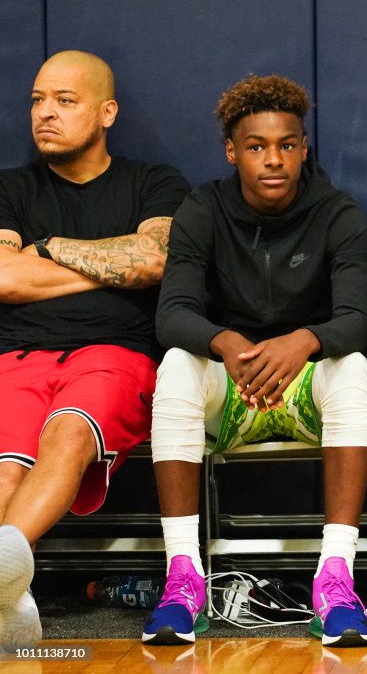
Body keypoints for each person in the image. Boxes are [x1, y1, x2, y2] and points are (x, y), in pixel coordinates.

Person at [140, 75, 367, 648]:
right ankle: (183, 579)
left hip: (304, 392)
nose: (274, 160)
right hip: (234, 387)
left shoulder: (337, 212)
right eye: (256, 147)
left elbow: (357, 320)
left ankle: (336, 579)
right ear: (232, 151)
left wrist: (302, 341)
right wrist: (226, 343)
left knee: (354, 366)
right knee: (175, 362)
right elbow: (172, 314)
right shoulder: (203, 208)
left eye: (287, 145)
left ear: (302, 148)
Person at [0, 50, 190, 650]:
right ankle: (6, 591)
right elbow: (3, 278)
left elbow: (157, 260)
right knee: (5, 464)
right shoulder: (10, 189)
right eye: (36, 100)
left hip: (114, 354)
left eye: (64, 100)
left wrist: (47, 249)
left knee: (70, 433)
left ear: (107, 112)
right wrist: (111, 265)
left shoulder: (153, 182)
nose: (44, 114)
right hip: (18, 356)